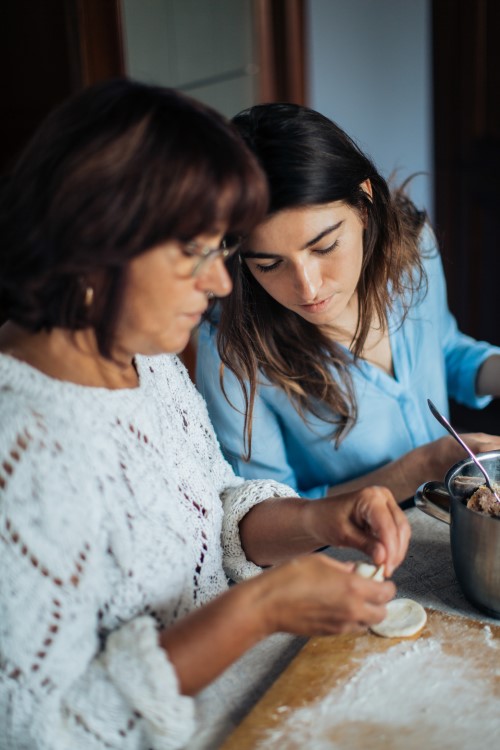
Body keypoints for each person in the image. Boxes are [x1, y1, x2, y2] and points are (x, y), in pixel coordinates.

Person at [0, 81, 410, 750]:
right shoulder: (21, 446)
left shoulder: (144, 358)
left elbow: (213, 514)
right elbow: (42, 732)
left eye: (221, 249)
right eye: (194, 251)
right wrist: (260, 609)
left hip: (252, 702)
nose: (223, 283)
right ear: (94, 244)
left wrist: (319, 520)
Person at [196, 102, 500, 503]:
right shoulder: (230, 351)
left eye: (324, 247)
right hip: (346, 557)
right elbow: (270, 514)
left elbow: (445, 351)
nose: (307, 288)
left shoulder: (413, 249)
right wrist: (418, 468)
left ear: (363, 201)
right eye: (269, 265)